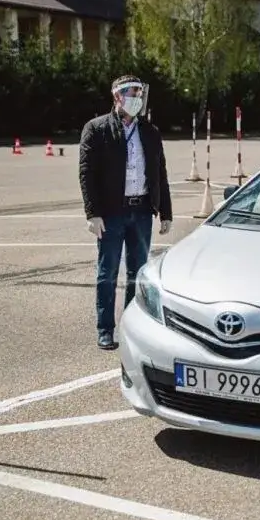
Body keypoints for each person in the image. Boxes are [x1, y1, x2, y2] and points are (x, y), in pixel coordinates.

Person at [79, 74, 173, 350]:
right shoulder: (97, 129)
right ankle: (105, 329)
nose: (137, 98)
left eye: (140, 93)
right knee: (107, 272)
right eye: (132, 93)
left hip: (141, 211)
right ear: (117, 96)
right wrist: (92, 213)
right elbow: (87, 173)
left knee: (138, 273)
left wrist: (165, 211)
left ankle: (133, 328)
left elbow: (160, 173)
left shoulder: (150, 132)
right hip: (111, 213)